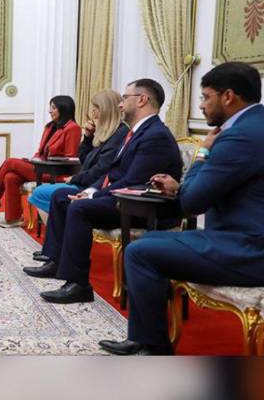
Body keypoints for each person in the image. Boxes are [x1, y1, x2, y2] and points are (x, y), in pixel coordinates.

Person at [100, 62, 264, 355]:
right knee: (150, 241)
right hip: (244, 237)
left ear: (228, 97)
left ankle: (154, 348)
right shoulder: (255, 126)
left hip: (249, 249)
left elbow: (191, 204)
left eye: (205, 97)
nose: (201, 105)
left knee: (139, 251)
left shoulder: (239, 137)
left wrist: (202, 153)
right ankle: (144, 337)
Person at [23, 78, 183, 305]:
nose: (120, 104)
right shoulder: (137, 132)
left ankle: (78, 285)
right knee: (61, 197)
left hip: (143, 207)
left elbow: (132, 181)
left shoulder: (155, 135)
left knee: (79, 208)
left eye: (125, 98)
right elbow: (113, 173)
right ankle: (56, 262)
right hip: (123, 198)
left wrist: (92, 195)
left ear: (142, 100)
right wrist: (90, 190)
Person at [27, 89, 128, 263]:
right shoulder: (106, 133)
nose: (93, 112)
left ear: (107, 109)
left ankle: (58, 247)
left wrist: (75, 179)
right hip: (86, 182)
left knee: (42, 193)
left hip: (92, 186)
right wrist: (87, 138)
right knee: (41, 192)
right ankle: (56, 247)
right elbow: (84, 158)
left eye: (97, 107)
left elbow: (100, 170)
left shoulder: (118, 135)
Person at [0, 95, 81, 227]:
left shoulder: (73, 128)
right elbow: (41, 151)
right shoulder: (50, 127)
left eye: (53, 108)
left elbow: (71, 157)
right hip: (41, 166)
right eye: (50, 107)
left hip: (56, 172)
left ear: (63, 108)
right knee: (10, 177)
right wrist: (34, 159)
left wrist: (48, 159)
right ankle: (14, 218)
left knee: (10, 162)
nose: (49, 111)